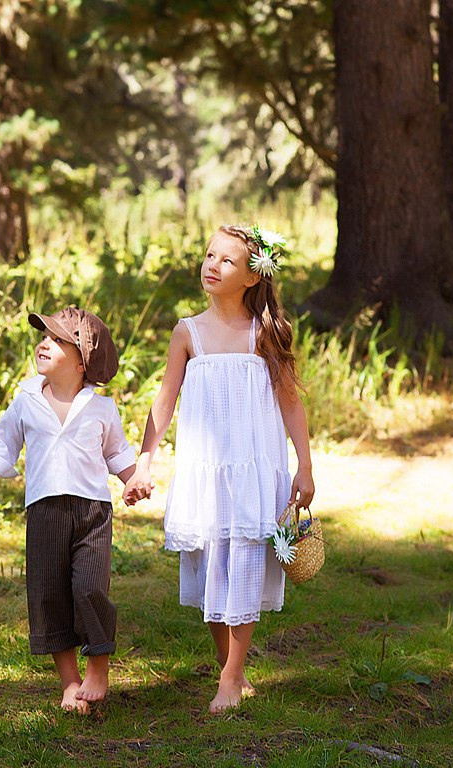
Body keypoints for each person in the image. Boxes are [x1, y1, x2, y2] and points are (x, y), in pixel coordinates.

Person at [123, 224, 315, 714]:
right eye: (209, 255)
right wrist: (144, 460)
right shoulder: (188, 332)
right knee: (211, 563)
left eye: (226, 261)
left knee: (248, 559)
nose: (212, 265)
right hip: (205, 469)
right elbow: (164, 401)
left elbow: (290, 402)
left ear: (252, 277)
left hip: (255, 465)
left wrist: (304, 465)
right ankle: (230, 664)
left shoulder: (265, 333)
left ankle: (230, 677)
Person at [0, 306, 137, 714]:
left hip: (92, 514)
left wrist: (133, 478)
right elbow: (4, 440)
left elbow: (116, 451)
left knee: (89, 588)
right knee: (48, 596)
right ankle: (70, 683)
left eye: (56, 339)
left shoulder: (101, 408)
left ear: (82, 360)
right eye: (42, 336)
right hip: (45, 513)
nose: (43, 343)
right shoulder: (27, 400)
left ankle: (97, 665)